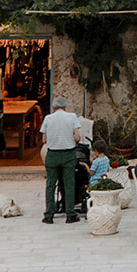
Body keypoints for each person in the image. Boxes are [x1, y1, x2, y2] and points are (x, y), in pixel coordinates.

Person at [38, 96, 82, 225]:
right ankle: (70, 214)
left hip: (52, 154)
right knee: (69, 184)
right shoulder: (72, 117)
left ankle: (49, 215)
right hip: (68, 154)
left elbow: (44, 140)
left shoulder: (48, 118)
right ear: (65, 107)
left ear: (53, 107)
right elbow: (77, 137)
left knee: (50, 185)